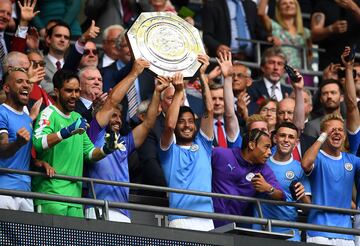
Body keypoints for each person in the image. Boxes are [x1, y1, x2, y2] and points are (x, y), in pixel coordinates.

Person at [85, 58, 167, 223]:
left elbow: (148, 123)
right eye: (113, 116)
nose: (117, 120)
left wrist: (157, 93)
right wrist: (134, 73)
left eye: (120, 117)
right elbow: (111, 102)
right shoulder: (93, 134)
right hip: (98, 207)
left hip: (123, 211)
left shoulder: (124, 143)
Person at [32, 69, 118, 218]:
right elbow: (39, 143)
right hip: (50, 195)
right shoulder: (48, 113)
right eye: (69, 91)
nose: (74, 96)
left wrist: (106, 149)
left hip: (76, 199)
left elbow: (89, 153)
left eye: (77, 91)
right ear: (57, 92)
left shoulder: (77, 117)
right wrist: (67, 131)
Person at [159, 55, 214, 231]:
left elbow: (209, 110)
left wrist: (202, 77)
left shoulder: (204, 146)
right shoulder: (169, 151)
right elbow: (168, 125)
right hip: (180, 219)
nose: (187, 125)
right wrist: (179, 91)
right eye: (182, 121)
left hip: (207, 219)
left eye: (190, 121)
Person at [302, 114, 360, 245]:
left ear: (344, 135)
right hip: (319, 231)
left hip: (346, 234)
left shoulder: (351, 160)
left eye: (340, 130)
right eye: (332, 130)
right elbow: (305, 164)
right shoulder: (318, 158)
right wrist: (322, 136)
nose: (337, 132)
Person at [211, 129, 284, 228]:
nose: (270, 152)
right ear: (252, 145)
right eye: (266, 147)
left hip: (232, 227)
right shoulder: (221, 154)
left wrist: (268, 188)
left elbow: (281, 196)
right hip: (206, 219)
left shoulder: (263, 169)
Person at [253, 122, 311, 241]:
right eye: (282, 135)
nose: (286, 140)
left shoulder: (300, 168)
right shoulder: (261, 161)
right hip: (261, 230)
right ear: (275, 138)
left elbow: (308, 209)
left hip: (289, 232)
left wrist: (303, 196)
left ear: (296, 143)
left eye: (291, 137)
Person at [0, 67, 34, 212]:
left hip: (26, 190)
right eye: (20, 81)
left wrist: (39, 163)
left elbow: (24, 156)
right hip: (5, 190)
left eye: (27, 82)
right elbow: (2, 150)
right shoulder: (1, 113)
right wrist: (18, 143)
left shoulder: (27, 119)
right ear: (6, 87)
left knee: (26, 236)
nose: (26, 85)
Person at [202, 0, 268, 61]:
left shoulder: (251, 5)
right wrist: (217, 46)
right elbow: (207, 36)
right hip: (223, 59)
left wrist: (269, 37)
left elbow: (259, 31)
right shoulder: (212, 4)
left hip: (249, 60)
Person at [258, 0, 312, 70]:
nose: (288, 5)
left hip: (300, 73)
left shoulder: (306, 32)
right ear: (278, 9)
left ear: (297, 7)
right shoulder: (274, 26)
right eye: (284, 3)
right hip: (280, 71)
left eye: (291, 3)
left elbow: (310, 55)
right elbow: (261, 13)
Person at [311, 0, 360, 70]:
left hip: (356, 61)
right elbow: (314, 35)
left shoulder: (357, 3)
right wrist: (331, 29)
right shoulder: (323, 4)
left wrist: (354, 8)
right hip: (330, 61)